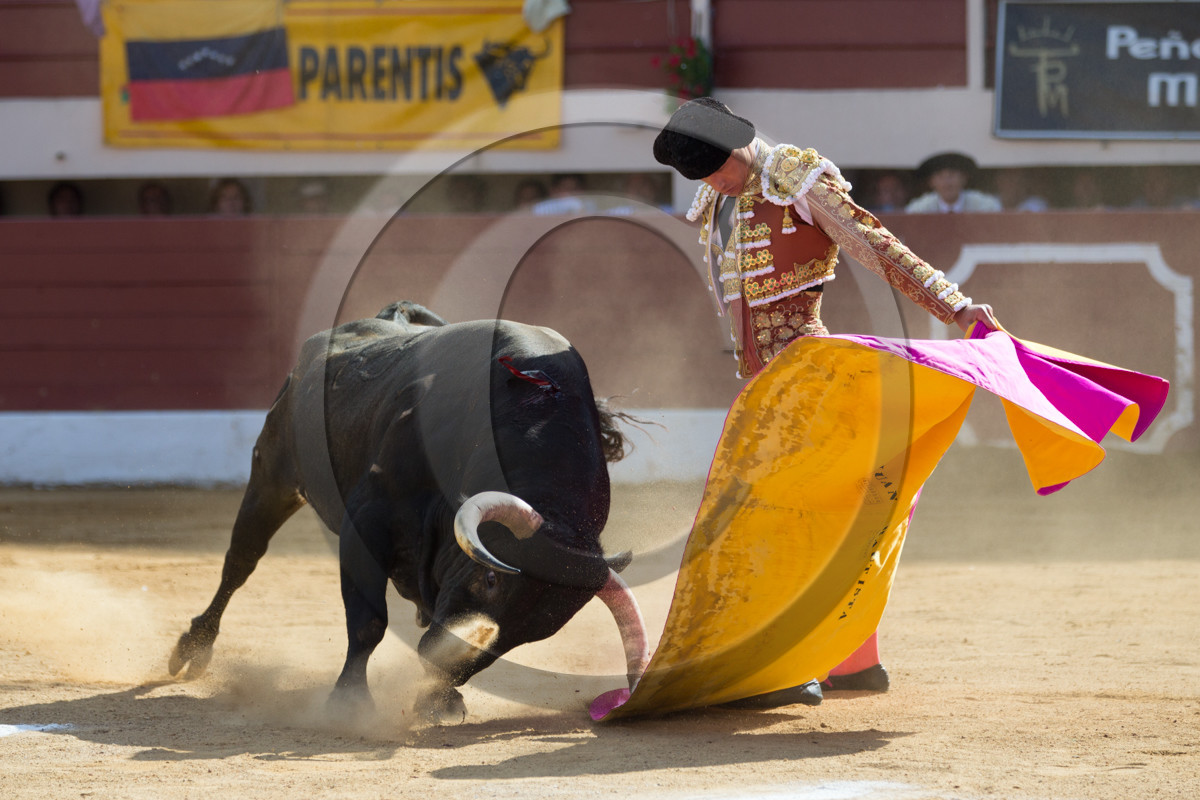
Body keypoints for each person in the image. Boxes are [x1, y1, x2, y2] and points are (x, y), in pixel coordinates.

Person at [653, 97, 998, 707]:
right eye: (703, 178)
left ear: (740, 145)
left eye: (718, 171)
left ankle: (787, 664)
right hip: (767, 388)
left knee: (780, 520)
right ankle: (854, 662)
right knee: (824, 518)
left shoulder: (796, 177)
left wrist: (955, 306)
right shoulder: (717, 198)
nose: (713, 185)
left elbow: (873, 243)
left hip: (811, 378)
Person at [905, 152, 1002, 213]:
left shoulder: (985, 206)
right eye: (940, 176)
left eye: (952, 175)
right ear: (931, 182)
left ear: (964, 178)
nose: (947, 182)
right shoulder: (919, 209)